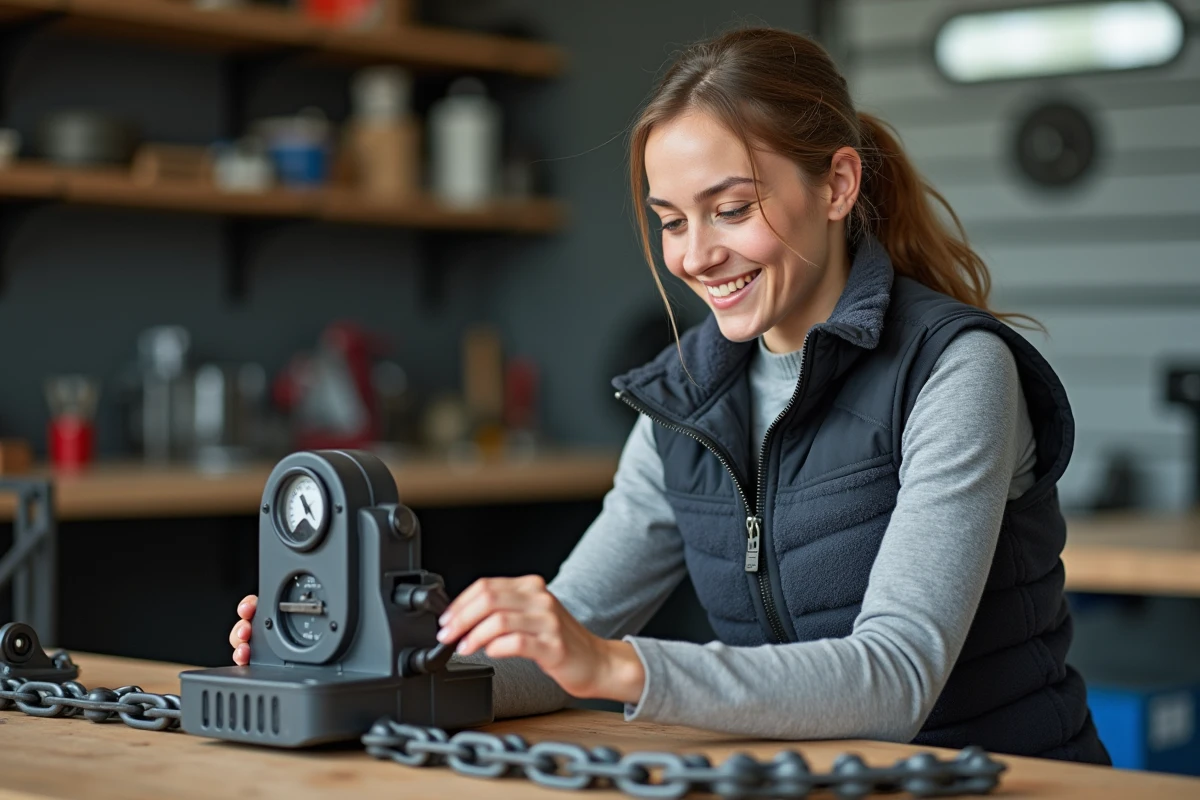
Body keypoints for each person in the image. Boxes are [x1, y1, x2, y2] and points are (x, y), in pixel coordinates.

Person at [229, 26, 1111, 765]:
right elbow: (556, 652)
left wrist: (617, 666)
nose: (695, 256)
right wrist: (350, 665)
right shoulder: (687, 398)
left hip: (1004, 783)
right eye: (672, 219)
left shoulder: (954, 371)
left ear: (837, 185)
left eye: (731, 209)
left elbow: (893, 682)